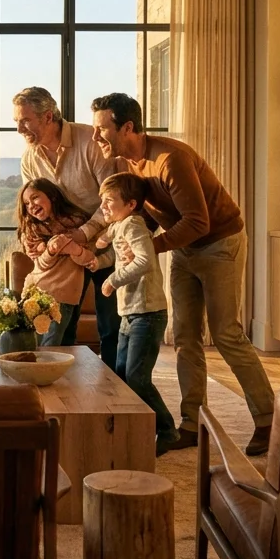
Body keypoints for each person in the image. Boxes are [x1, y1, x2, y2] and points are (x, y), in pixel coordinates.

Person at [89, 93, 274, 456]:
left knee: (225, 334)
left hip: (220, 243)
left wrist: (150, 248)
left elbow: (199, 220)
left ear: (127, 127)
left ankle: (268, 419)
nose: (97, 138)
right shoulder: (132, 165)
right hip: (185, 248)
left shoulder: (169, 159)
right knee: (186, 338)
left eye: (101, 130)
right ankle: (191, 423)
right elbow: (144, 216)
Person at [13, 87, 121, 363]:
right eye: (17, 122)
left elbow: (112, 199)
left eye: (25, 121)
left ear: (47, 116)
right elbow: (31, 206)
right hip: (63, 257)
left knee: (111, 327)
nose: (19, 129)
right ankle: (66, 389)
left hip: (104, 241)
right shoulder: (30, 158)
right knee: (63, 327)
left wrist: (83, 233)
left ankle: (116, 392)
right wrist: (29, 237)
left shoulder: (90, 142)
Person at [88, 172, 179, 456]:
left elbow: (144, 260)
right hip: (130, 313)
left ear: (130, 204)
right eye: (101, 200)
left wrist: (112, 280)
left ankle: (167, 430)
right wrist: (98, 257)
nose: (103, 206)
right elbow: (115, 252)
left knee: (137, 378)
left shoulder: (134, 225)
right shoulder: (121, 225)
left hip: (147, 313)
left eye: (109, 200)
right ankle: (135, 429)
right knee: (121, 374)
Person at [14, 179, 92, 346]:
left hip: (67, 295)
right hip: (40, 291)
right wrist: (52, 249)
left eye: (35, 198)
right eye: (27, 203)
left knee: (65, 344)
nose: (31, 205)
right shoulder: (32, 230)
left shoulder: (80, 223)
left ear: (52, 197)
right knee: (46, 346)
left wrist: (56, 247)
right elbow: (42, 264)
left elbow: (88, 255)